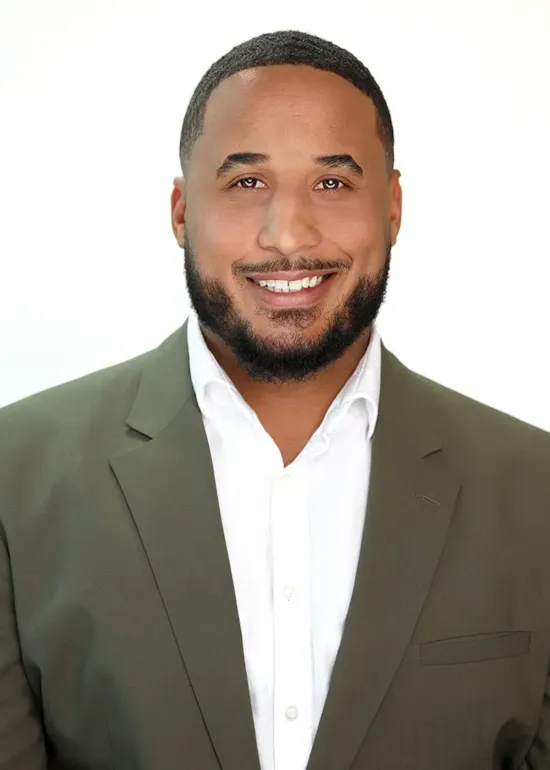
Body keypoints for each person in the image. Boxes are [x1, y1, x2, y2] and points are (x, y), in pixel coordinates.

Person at [0, 27, 549, 770]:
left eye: (333, 181)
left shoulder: (533, 490)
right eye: (245, 182)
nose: (288, 234)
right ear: (180, 210)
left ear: (392, 206)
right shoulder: (15, 478)